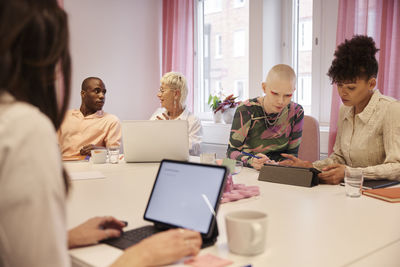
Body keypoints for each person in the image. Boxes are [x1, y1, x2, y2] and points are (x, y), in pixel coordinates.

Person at [0, 1, 201, 266]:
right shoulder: (24, 128)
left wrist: (65, 237)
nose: (101, 96)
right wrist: (141, 256)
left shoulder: (16, 122)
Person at [281, 35, 400, 184]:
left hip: (380, 196)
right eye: (339, 85)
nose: (343, 92)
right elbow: (339, 158)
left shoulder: (391, 110)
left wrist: (350, 172)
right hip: (350, 190)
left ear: (371, 84)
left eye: (351, 87)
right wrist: (310, 166)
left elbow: (397, 167)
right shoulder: (346, 110)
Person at [227, 64, 304, 170]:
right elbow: (231, 153)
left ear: (293, 91)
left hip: (278, 172)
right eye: (275, 93)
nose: (281, 101)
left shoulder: (296, 112)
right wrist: (251, 161)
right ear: (264, 87)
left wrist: (277, 164)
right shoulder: (247, 110)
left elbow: (292, 156)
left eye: (287, 95)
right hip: (249, 171)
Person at [57, 77, 122, 158]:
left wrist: (99, 150)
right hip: (65, 166)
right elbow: (52, 146)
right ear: (83, 94)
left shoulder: (111, 120)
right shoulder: (64, 116)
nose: (102, 96)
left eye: (104, 92)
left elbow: (114, 153)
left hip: (92, 168)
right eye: (97, 91)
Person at [150, 72, 203, 156]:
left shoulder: (193, 121)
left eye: (162, 90)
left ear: (176, 94)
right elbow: (148, 144)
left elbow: (193, 151)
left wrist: (171, 132)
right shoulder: (158, 115)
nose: (158, 95)